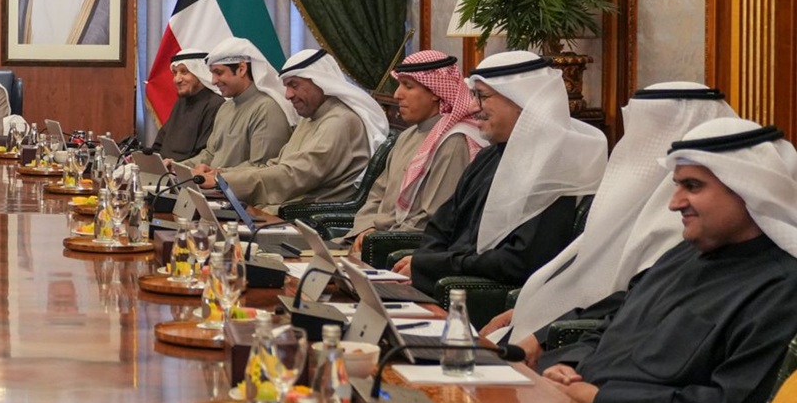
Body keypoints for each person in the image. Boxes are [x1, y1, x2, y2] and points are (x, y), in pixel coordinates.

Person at [526, 119, 797, 403]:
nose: (674, 203)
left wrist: (601, 400)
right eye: (677, 185)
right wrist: (571, 367)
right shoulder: (681, 255)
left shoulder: (782, 288)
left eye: (692, 186)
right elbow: (612, 326)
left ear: (748, 190)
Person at [492, 83, 735, 340]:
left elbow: (633, 302)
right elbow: (587, 268)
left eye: (657, 128)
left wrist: (541, 333)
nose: (642, 140)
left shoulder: (693, 220)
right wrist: (528, 310)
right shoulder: (633, 189)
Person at [393, 50, 607, 295]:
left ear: (520, 102)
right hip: (445, 286)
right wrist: (427, 265)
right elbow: (441, 227)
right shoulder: (487, 157)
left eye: (482, 96)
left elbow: (519, 262)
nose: (473, 107)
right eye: (474, 96)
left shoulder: (558, 166)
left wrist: (436, 266)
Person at [192, 50, 386, 208]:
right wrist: (220, 173)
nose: (288, 95)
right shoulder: (310, 117)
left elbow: (293, 175)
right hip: (285, 206)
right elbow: (276, 164)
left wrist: (224, 182)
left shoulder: (340, 121)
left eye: (294, 85)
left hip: (309, 217)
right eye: (286, 86)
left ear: (321, 82)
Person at [343, 52, 483, 249]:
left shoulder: (453, 142)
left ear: (436, 91)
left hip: (403, 250)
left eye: (408, 86)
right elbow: (376, 195)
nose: (397, 95)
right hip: (372, 243)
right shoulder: (406, 136)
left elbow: (432, 219)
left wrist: (381, 240)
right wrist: (365, 229)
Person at [177, 36, 295, 173]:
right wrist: (176, 167)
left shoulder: (266, 108)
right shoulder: (225, 107)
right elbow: (209, 154)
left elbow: (262, 168)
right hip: (213, 189)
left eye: (218, 73)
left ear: (242, 69)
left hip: (240, 193)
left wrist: (217, 175)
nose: (213, 81)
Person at [148, 51, 223, 162]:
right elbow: (160, 143)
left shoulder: (215, 105)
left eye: (184, 72)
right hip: (164, 172)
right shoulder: (181, 102)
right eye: (175, 73)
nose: (177, 79)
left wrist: (174, 168)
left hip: (187, 174)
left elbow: (204, 153)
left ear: (199, 73)